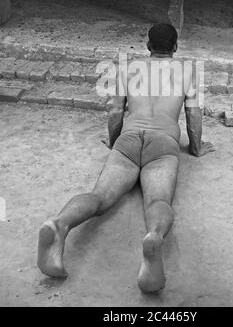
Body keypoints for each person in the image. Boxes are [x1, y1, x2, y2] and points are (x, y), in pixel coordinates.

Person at [37, 23, 215, 293]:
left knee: (98, 197)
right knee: (158, 200)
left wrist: (114, 143)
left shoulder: (129, 68)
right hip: (163, 142)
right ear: (176, 47)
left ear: (147, 47)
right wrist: (196, 147)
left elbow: (115, 111)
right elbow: (194, 115)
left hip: (129, 139)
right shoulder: (188, 70)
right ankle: (153, 235)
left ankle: (59, 224)